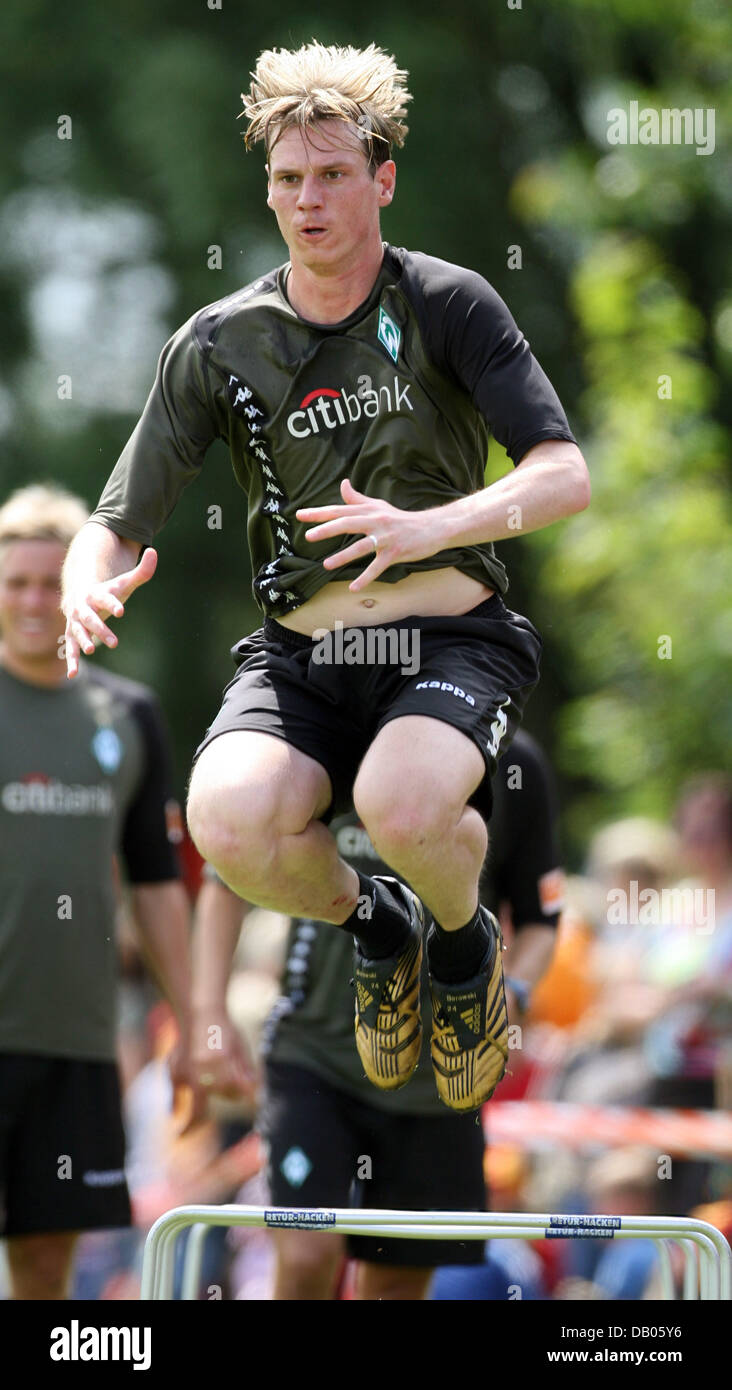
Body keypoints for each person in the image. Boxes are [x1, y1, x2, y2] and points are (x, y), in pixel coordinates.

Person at [60, 40, 589, 1114]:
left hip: (448, 639)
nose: (309, 199)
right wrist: (85, 578)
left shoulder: (450, 302)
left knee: (401, 804)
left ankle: (459, 939)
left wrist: (429, 524)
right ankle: (380, 923)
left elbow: (564, 473)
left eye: (334, 174)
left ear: (381, 180)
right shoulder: (218, 341)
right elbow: (116, 520)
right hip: (306, 653)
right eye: (290, 178)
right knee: (228, 820)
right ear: (268, 188)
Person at [193, 730, 563, 1300]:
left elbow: (541, 919)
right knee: (308, 1252)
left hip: (443, 1076)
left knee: (397, 1284)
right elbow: (225, 880)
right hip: (314, 1055)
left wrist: (514, 991)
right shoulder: (322, 727)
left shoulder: (512, 759)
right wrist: (208, 1014)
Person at [0, 484, 196, 1300]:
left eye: (54, 582)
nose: (36, 600)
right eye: (16, 583)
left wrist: (195, 1022)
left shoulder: (128, 716)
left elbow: (156, 886)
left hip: (76, 1044)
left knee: (47, 1271)